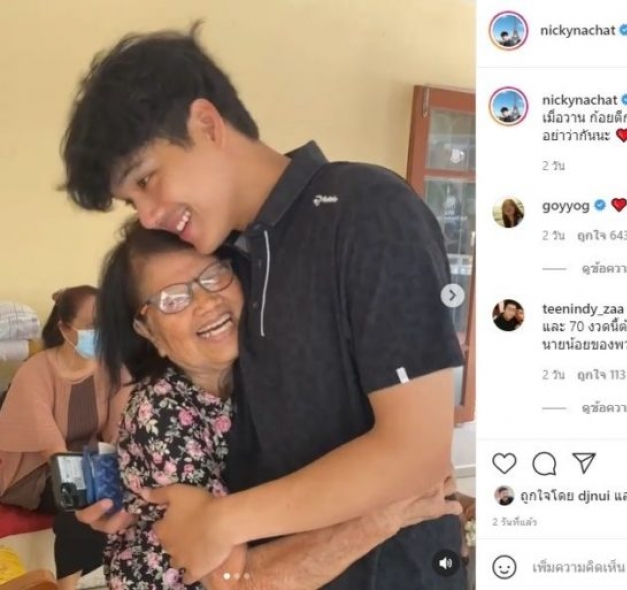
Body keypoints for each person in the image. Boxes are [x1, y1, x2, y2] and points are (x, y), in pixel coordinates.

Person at [61, 23, 465, 587]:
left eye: (148, 180)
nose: (148, 216)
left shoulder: (366, 213)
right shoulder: (228, 256)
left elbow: (416, 452)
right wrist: (134, 498)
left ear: (207, 124)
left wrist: (222, 521)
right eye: (132, 202)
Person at [96, 218, 460, 589]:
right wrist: (384, 513)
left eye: (214, 275)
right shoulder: (160, 412)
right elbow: (232, 581)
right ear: (148, 331)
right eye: (173, 299)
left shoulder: (269, 372)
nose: (206, 302)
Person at [0, 287, 129, 590]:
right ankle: (65, 586)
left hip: (88, 461)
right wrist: (89, 484)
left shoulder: (113, 369)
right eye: (92, 326)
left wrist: (118, 476)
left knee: (118, 495)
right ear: (65, 329)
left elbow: (118, 434)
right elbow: (52, 449)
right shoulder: (35, 371)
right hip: (36, 475)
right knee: (84, 503)